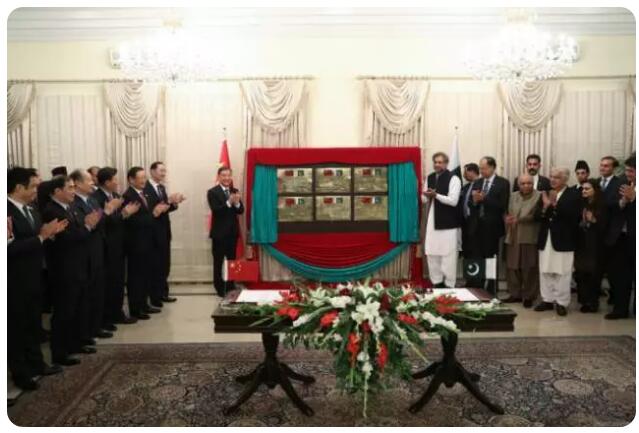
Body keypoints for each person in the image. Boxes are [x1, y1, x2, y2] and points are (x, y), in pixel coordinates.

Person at [8, 167, 66, 390]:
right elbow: (9, 249)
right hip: (14, 280)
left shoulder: (31, 209)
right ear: (18, 187)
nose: (36, 191)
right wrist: (41, 237)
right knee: (16, 328)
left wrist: (49, 234)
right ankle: (21, 373)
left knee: (33, 323)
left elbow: (36, 237)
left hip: (34, 276)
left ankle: (37, 364)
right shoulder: (7, 212)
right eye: (33, 187)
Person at [43, 175, 100, 365]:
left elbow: (79, 231)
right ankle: (60, 353)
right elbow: (66, 239)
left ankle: (75, 343)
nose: (73, 191)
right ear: (57, 191)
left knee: (77, 308)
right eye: (69, 188)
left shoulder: (71, 207)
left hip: (78, 266)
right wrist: (87, 227)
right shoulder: (52, 211)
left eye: (74, 187)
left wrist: (87, 226)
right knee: (64, 311)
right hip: (64, 269)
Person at [93, 167, 139, 326]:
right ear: (107, 182)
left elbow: (119, 220)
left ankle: (117, 313)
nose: (117, 182)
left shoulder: (117, 196)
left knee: (118, 282)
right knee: (108, 283)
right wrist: (124, 213)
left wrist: (126, 213)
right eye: (114, 179)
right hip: (106, 247)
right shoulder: (96, 197)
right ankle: (107, 317)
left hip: (119, 245)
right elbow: (101, 222)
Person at [70, 169, 112, 340]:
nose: (92, 183)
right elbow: (83, 225)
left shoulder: (92, 199)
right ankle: (85, 332)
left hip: (97, 251)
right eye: (88, 180)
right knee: (86, 295)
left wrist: (105, 213)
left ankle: (96, 326)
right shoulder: (73, 202)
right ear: (78, 183)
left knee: (97, 292)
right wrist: (101, 216)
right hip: (84, 254)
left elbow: (100, 222)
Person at [534, 168, 582, 316]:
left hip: (564, 239)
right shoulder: (546, 193)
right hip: (546, 238)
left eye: (557, 177)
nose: (552, 180)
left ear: (565, 179)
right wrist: (545, 207)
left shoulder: (573, 194)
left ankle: (562, 302)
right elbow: (537, 216)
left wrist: (554, 205)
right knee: (545, 270)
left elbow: (574, 217)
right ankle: (547, 299)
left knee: (563, 272)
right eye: (551, 177)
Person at [123, 167, 168, 320]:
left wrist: (159, 210)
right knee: (136, 278)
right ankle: (136, 309)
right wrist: (154, 214)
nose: (144, 180)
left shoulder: (144, 193)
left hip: (148, 242)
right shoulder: (128, 196)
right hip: (136, 244)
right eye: (140, 178)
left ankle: (144, 304)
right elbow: (132, 221)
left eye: (144, 177)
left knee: (146, 275)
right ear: (131, 179)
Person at [467, 156, 510, 295]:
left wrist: (484, 198)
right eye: (480, 168)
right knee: (475, 258)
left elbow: (503, 205)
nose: (481, 171)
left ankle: (490, 290)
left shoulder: (503, 183)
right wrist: (474, 201)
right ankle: (475, 288)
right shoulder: (478, 182)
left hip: (492, 229)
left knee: (491, 259)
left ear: (492, 167)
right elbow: (470, 204)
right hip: (476, 227)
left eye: (484, 168)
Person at [144, 161, 185, 307]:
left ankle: (163, 294)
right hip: (152, 234)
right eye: (161, 171)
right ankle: (154, 297)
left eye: (164, 171)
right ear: (152, 171)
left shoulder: (161, 187)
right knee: (155, 266)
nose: (163, 173)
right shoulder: (145, 188)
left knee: (164, 265)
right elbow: (152, 210)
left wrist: (174, 203)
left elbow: (164, 209)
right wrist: (168, 201)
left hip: (164, 232)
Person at [422, 152, 461, 288]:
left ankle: (449, 285)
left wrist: (436, 195)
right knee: (432, 253)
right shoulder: (430, 177)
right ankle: (437, 283)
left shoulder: (454, 178)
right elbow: (424, 199)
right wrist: (425, 195)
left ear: (446, 163)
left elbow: (453, 201)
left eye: (440, 162)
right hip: (432, 221)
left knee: (448, 255)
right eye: (435, 162)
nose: (437, 164)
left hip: (448, 223)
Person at [503, 174, 541, 308]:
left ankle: (529, 296)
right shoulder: (513, 196)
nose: (526, 186)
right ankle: (515, 294)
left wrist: (519, 219)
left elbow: (536, 215)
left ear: (533, 184)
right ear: (518, 184)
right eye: (523, 183)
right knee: (512, 267)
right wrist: (507, 218)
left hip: (529, 236)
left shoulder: (539, 196)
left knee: (529, 267)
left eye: (529, 183)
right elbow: (508, 212)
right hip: (513, 235)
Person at [605, 156, 636, 319]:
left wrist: (635, 199)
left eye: (632, 171)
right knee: (620, 276)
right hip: (621, 238)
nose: (628, 174)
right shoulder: (622, 183)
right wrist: (623, 201)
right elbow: (609, 203)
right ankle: (620, 309)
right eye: (627, 170)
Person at [208, 167, 244, 297]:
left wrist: (237, 203)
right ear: (219, 177)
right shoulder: (212, 192)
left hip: (232, 234)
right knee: (218, 262)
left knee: (231, 262)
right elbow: (216, 210)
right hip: (219, 235)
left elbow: (240, 211)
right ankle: (219, 287)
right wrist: (229, 202)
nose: (227, 178)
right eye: (224, 175)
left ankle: (230, 285)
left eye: (229, 175)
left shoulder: (234, 191)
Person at [574, 179, 608, 313]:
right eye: (583, 189)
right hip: (581, 243)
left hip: (595, 245)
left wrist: (593, 220)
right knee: (580, 273)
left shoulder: (602, 205)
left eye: (587, 189)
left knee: (593, 275)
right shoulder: (581, 204)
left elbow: (605, 226)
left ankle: (593, 302)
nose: (584, 191)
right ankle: (584, 301)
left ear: (595, 190)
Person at [597, 156, 624, 306]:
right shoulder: (596, 182)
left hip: (612, 232)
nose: (603, 168)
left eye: (606, 166)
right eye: (602, 165)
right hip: (597, 231)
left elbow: (619, 205)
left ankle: (614, 295)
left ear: (613, 168)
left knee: (613, 268)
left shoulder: (620, 183)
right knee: (597, 266)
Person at [458, 163, 479, 260]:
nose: (463, 175)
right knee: (466, 245)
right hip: (466, 221)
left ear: (472, 172)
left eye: (465, 172)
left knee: (475, 247)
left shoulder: (481, 184)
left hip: (477, 222)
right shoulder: (466, 187)